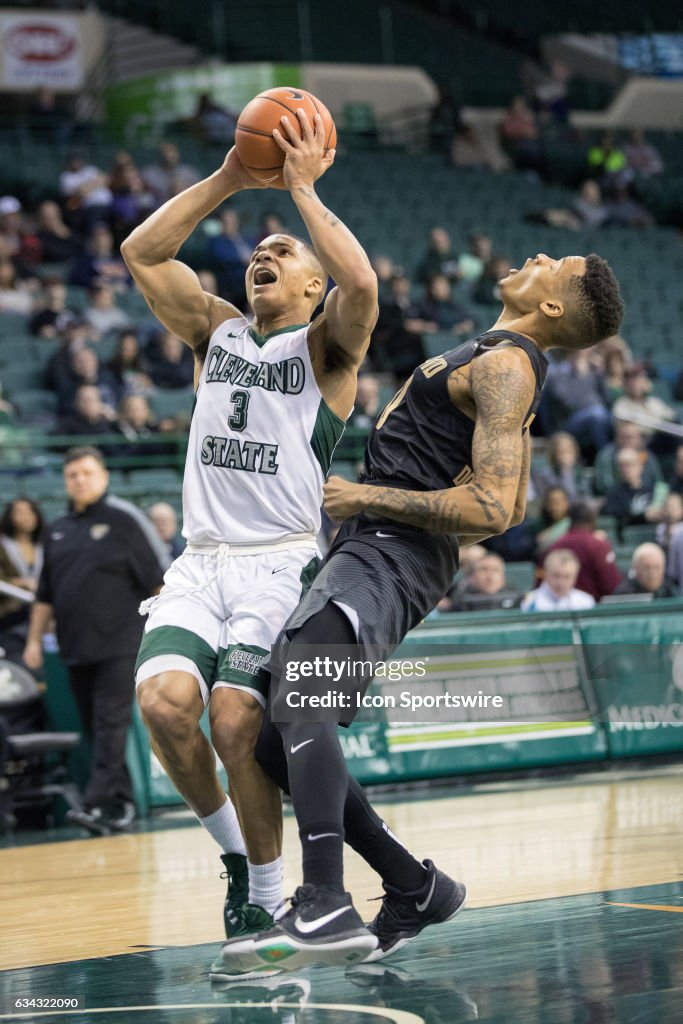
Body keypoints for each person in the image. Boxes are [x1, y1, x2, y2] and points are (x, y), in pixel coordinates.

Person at [216, 249, 623, 975]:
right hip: (386, 549)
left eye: (553, 262)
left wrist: (363, 496)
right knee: (276, 743)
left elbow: (495, 509)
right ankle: (414, 886)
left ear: (554, 305)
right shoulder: (502, 360)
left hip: (388, 550)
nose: (534, 255)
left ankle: (324, 901)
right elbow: (516, 502)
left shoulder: (508, 366)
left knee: (300, 694)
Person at [120, 108, 377, 937]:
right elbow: (142, 252)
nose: (267, 254)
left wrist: (301, 189)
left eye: (287, 254)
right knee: (163, 705)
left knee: (235, 720)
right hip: (201, 558)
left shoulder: (327, 349)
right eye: (259, 250)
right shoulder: (216, 327)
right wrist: (233, 173)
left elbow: (364, 287)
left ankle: (267, 897)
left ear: (312, 288)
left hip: (278, 561)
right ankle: (237, 857)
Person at [23, 447, 169, 832]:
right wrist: (34, 641)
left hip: (121, 645)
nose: (80, 481)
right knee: (96, 728)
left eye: (86, 473)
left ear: (102, 475)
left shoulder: (126, 521)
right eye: (72, 475)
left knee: (109, 724)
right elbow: (44, 594)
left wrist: (164, 633)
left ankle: (96, 801)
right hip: (74, 647)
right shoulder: (57, 530)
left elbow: (160, 581)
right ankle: (120, 806)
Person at [544, 501, 621, 601]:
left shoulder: (555, 545)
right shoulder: (598, 546)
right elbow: (611, 586)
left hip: (559, 608)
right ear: (593, 520)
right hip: (593, 610)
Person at [0, 498, 44, 661]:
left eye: (30, 511)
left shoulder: (46, 542)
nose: (26, 517)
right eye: (20, 512)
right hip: (13, 616)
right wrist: (24, 583)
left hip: (44, 616)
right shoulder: (2, 544)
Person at [602, 447, 667, 536]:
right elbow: (618, 519)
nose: (624, 469)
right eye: (621, 465)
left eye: (629, 464)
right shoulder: (613, 494)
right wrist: (644, 516)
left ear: (640, 466)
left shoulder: (654, 490)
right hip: (629, 538)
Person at [521, 549, 595, 612]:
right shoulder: (531, 602)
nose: (561, 583)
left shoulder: (586, 602)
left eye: (567, 577)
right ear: (546, 573)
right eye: (556, 576)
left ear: (575, 576)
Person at [448, 552, 521, 611]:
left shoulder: (516, 598)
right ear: (472, 576)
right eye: (484, 569)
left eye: (495, 570)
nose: (490, 576)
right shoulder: (459, 598)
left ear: (503, 577)